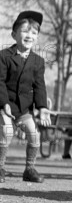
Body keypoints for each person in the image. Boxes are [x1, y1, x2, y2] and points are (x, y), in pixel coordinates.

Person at [0, 10, 51, 183]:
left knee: (34, 135)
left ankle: (29, 169)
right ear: (14, 35)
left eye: (34, 33)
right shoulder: (3, 57)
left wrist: (43, 108)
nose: (29, 35)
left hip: (24, 109)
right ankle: (0, 167)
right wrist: (3, 103)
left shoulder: (38, 61)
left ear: (37, 37)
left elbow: (39, 86)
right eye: (24, 31)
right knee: (6, 132)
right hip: (6, 106)